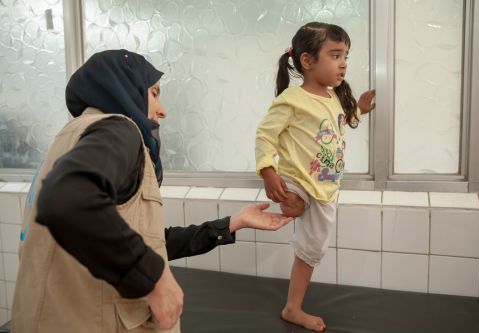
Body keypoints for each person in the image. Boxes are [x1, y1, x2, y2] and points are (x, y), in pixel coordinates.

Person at [11, 49, 293, 333]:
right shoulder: (120, 130)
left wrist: (233, 223)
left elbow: (140, 241)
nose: (162, 110)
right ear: (123, 88)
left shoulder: (70, 136)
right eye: (155, 93)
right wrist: (155, 278)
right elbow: (69, 200)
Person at [255, 22, 376, 332]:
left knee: (314, 250)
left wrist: (359, 110)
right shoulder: (291, 100)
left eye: (345, 55)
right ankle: (293, 308)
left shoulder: (334, 97)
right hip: (296, 177)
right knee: (292, 203)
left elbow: (337, 122)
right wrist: (268, 173)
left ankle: (292, 302)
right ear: (307, 61)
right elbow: (265, 136)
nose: (344, 63)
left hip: (326, 187)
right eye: (335, 55)